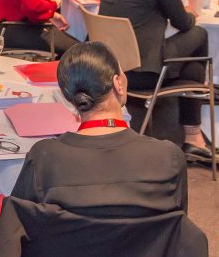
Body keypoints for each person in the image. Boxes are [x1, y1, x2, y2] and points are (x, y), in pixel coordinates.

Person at [10, 42, 193, 227]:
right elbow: (176, 232)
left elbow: (19, 228)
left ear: (68, 97)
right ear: (118, 84)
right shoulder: (168, 157)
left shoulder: (44, 158)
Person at [99, 0, 216, 163]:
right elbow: (181, 22)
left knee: (190, 53)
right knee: (198, 35)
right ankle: (193, 134)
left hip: (109, 63)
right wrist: (193, 13)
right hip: (142, 71)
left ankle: (191, 135)